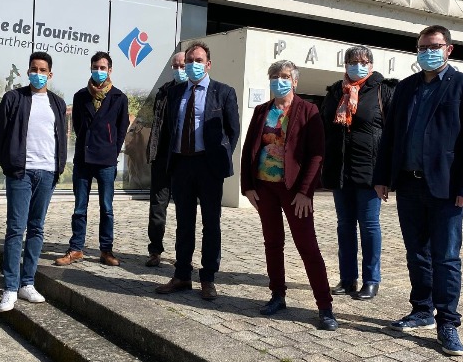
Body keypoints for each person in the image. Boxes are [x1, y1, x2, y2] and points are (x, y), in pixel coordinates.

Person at [373, 25, 463, 356]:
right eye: (422, 47)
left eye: (434, 46)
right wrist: (382, 176)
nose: (427, 52)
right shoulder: (405, 87)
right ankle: (422, 309)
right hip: (409, 184)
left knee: (446, 257)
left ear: (449, 49)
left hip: (447, 189)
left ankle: (447, 322)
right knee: (416, 253)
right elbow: (390, 136)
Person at [240, 60, 338, 330]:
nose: (278, 81)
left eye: (284, 76)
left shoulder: (308, 110)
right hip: (264, 188)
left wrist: (306, 191)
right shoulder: (262, 111)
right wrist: (248, 186)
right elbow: (250, 148)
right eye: (274, 76)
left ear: (294, 81)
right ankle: (277, 295)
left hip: (294, 191)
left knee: (308, 246)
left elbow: (317, 154)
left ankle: (325, 306)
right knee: (273, 243)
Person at [155, 42, 239, 300]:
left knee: (211, 223)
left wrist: (219, 158)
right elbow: (169, 128)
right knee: (184, 223)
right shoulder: (175, 92)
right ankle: (182, 275)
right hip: (182, 164)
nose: (193, 65)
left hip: (208, 166)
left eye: (198, 60)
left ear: (208, 64)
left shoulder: (224, 92)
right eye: (190, 60)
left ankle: (208, 278)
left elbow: (233, 130)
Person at [0, 51, 68, 312]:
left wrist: (58, 168)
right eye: (34, 69)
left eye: (42, 70)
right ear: (28, 72)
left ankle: (27, 283)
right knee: (16, 228)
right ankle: (10, 287)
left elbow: (61, 136)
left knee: (36, 228)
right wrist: (10, 165)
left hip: (47, 172)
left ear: (50, 74)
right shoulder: (14, 98)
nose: (38, 74)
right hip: (21, 173)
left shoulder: (57, 103)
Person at [321, 45, 396, 300]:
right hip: (340, 171)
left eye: (363, 62)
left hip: (370, 173)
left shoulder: (383, 90)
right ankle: (347, 278)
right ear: (345, 65)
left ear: (371, 65)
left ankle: (371, 280)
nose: (358, 65)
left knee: (369, 226)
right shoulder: (335, 91)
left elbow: (392, 135)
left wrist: (386, 175)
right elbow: (324, 128)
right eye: (352, 62)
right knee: (345, 226)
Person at [55, 51, 129, 267]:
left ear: (110, 70)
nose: (99, 71)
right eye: (95, 67)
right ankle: (76, 249)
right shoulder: (80, 96)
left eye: (103, 68)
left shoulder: (119, 98)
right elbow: (78, 126)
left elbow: (121, 129)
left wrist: (112, 150)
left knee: (106, 208)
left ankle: (106, 250)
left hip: (106, 160)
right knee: (79, 207)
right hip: (83, 159)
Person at [144, 51, 186, 267]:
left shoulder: (194, 92)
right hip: (161, 157)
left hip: (183, 160)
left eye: (182, 65)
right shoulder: (163, 91)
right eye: (175, 66)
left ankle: (182, 255)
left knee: (184, 210)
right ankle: (155, 250)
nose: (178, 69)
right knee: (157, 207)